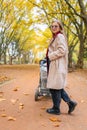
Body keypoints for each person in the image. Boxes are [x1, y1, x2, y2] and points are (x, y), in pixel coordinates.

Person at [46, 19, 77, 115]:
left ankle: (56, 109)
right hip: (55, 64)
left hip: (58, 65)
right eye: (52, 26)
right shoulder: (55, 37)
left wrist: (50, 56)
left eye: (56, 26)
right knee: (56, 87)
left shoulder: (59, 36)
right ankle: (70, 103)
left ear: (60, 27)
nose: (54, 28)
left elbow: (62, 51)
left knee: (55, 87)